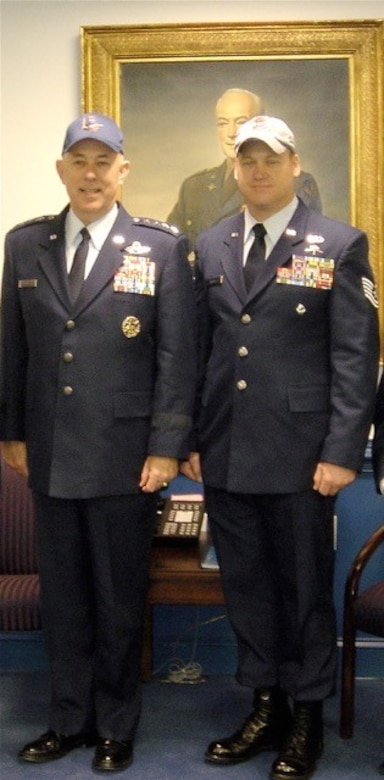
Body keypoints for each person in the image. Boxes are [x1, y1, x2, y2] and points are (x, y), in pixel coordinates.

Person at [181, 115, 379, 779]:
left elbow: (355, 357)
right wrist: (191, 441)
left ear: (295, 164)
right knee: (247, 590)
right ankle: (265, 706)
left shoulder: (338, 242)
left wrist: (342, 452)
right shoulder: (209, 245)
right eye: (248, 159)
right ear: (235, 167)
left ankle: (307, 717)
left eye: (271, 158)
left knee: (302, 593)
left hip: (302, 458)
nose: (258, 170)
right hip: (227, 452)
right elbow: (201, 352)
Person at [0, 112, 197, 772]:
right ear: (62, 170)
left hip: (125, 459)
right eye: (78, 160)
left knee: (116, 599)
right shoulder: (25, 245)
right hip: (51, 456)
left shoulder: (161, 248)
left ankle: (115, 725)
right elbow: (13, 350)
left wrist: (167, 446)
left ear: (123, 171)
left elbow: (176, 358)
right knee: (64, 598)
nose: (90, 173)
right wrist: (12, 434)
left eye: (102, 161)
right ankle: (67, 720)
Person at [167, 88, 322, 255]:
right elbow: (170, 251)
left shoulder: (293, 183)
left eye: (241, 122)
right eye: (223, 123)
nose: (231, 133)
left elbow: (304, 249)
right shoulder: (194, 186)